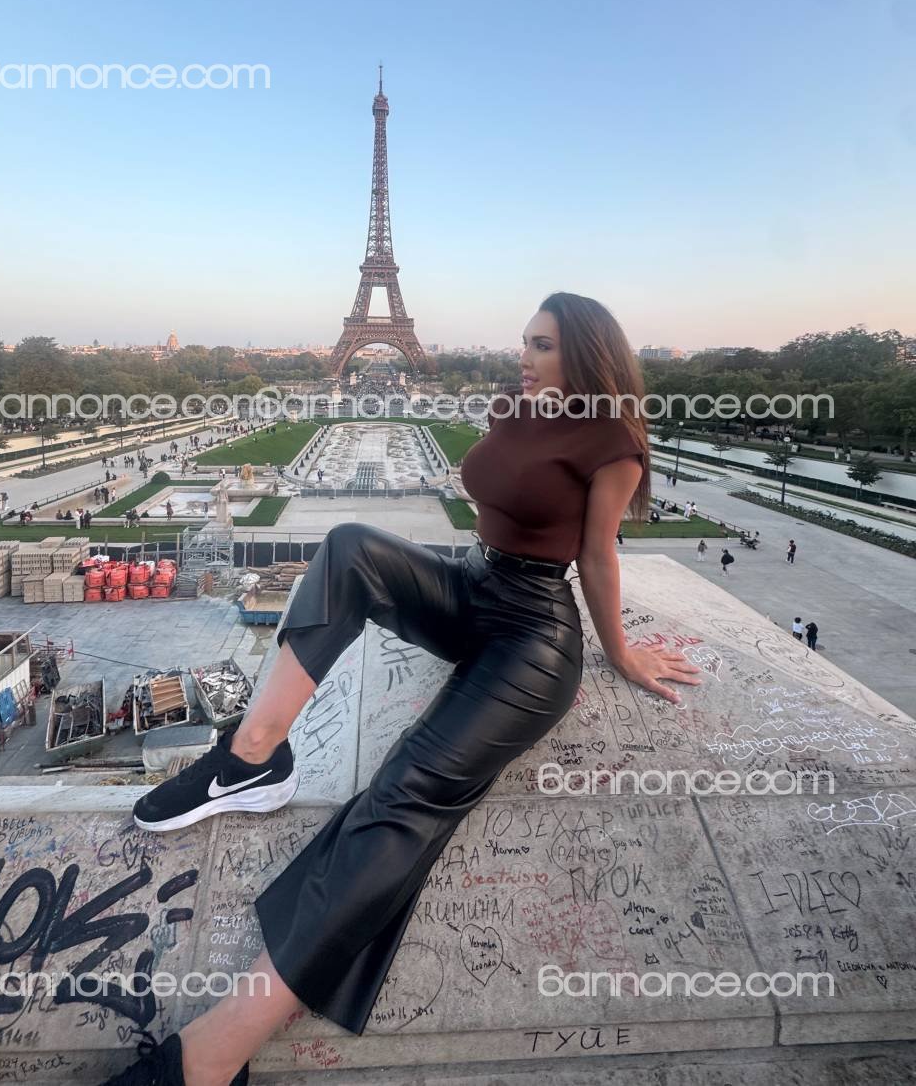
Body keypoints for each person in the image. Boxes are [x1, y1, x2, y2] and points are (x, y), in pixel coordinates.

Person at [110, 293, 703, 1086]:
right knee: (349, 547)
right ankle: (252, 754)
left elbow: (597, 556)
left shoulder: (613, 442)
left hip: (532, 636)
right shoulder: (514, 406)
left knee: (401, 794)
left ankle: (212, 1055)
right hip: (473, 585)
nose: (523, 356)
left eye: (542, 344)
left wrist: (622, 652)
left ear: (589, 354)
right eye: (525, 341)